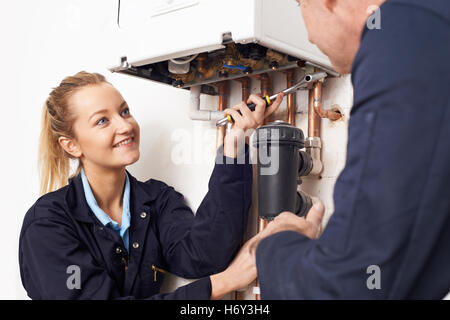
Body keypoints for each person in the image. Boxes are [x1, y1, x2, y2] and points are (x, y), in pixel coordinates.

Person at [18, 71, 283, 300]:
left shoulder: (157, 199)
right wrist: (226, 282)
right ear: (71, 145)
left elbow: (204, 256)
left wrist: (234, 144)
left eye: (124, 111)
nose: (125, 126)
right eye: (102, 120)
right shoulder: (47, 224)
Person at [249, 0, 450, 299]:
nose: (310, 37)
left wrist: (274, 247)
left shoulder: (402, 34)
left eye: (301, 4)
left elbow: (349, 283)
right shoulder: (428, 23)